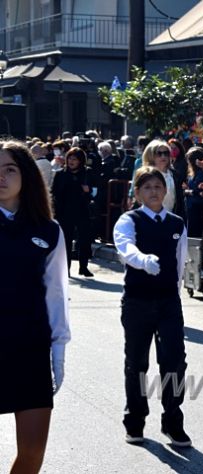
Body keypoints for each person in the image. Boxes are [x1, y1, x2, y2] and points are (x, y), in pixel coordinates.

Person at [0, 141, 70, 472]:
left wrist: (58, 351)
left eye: (9, 169)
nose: (1, 177)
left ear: (26, 175)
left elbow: (56, 293)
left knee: (32, 454)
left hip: (30, 349)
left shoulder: (48, 230)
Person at [113, 166, 191, 447]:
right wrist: (142, 260)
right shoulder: (128, 220)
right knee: (137, 363)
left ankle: (173, 420)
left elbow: (181, 261)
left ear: (165, 190)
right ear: (137, 193)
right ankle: (134, 421)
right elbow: (125, 248)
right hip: (137, 301)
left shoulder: (176, 223)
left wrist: (177, 291)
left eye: (158, 186)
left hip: (169, 301)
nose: (154, 191)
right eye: (146, 187)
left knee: (174, 362)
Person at [51, 147, 95, 277]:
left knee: (84, 240)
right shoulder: (61, 174)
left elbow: (95, 191)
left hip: (82, 210)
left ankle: (83, 267)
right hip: (65, 211)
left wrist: (89, 191)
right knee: (66, 241)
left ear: (80, 161)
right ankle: (66, 268)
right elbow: (54, 193)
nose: (71, 161)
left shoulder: (87, 173)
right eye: (69, 158)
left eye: (74, 159)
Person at [184, 147, 203, 238]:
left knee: (195, 233)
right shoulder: (192, 174)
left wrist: (188, 191)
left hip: (198, 207)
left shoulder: (202, 173)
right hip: (191, 206)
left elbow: (198, 190)